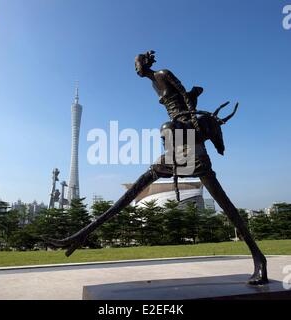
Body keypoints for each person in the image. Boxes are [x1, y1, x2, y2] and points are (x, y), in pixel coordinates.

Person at [48, 51, 268, 285]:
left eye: (137, 64)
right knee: (133, 191)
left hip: (186, 134)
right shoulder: (153, 84)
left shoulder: (163, 74)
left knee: (226, 206)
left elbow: (185, 95)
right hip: (176, 144)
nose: (136, 69)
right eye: (135, 66)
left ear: (146, 62)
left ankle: (259, 259)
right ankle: (82, 234)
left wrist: (193, 119)